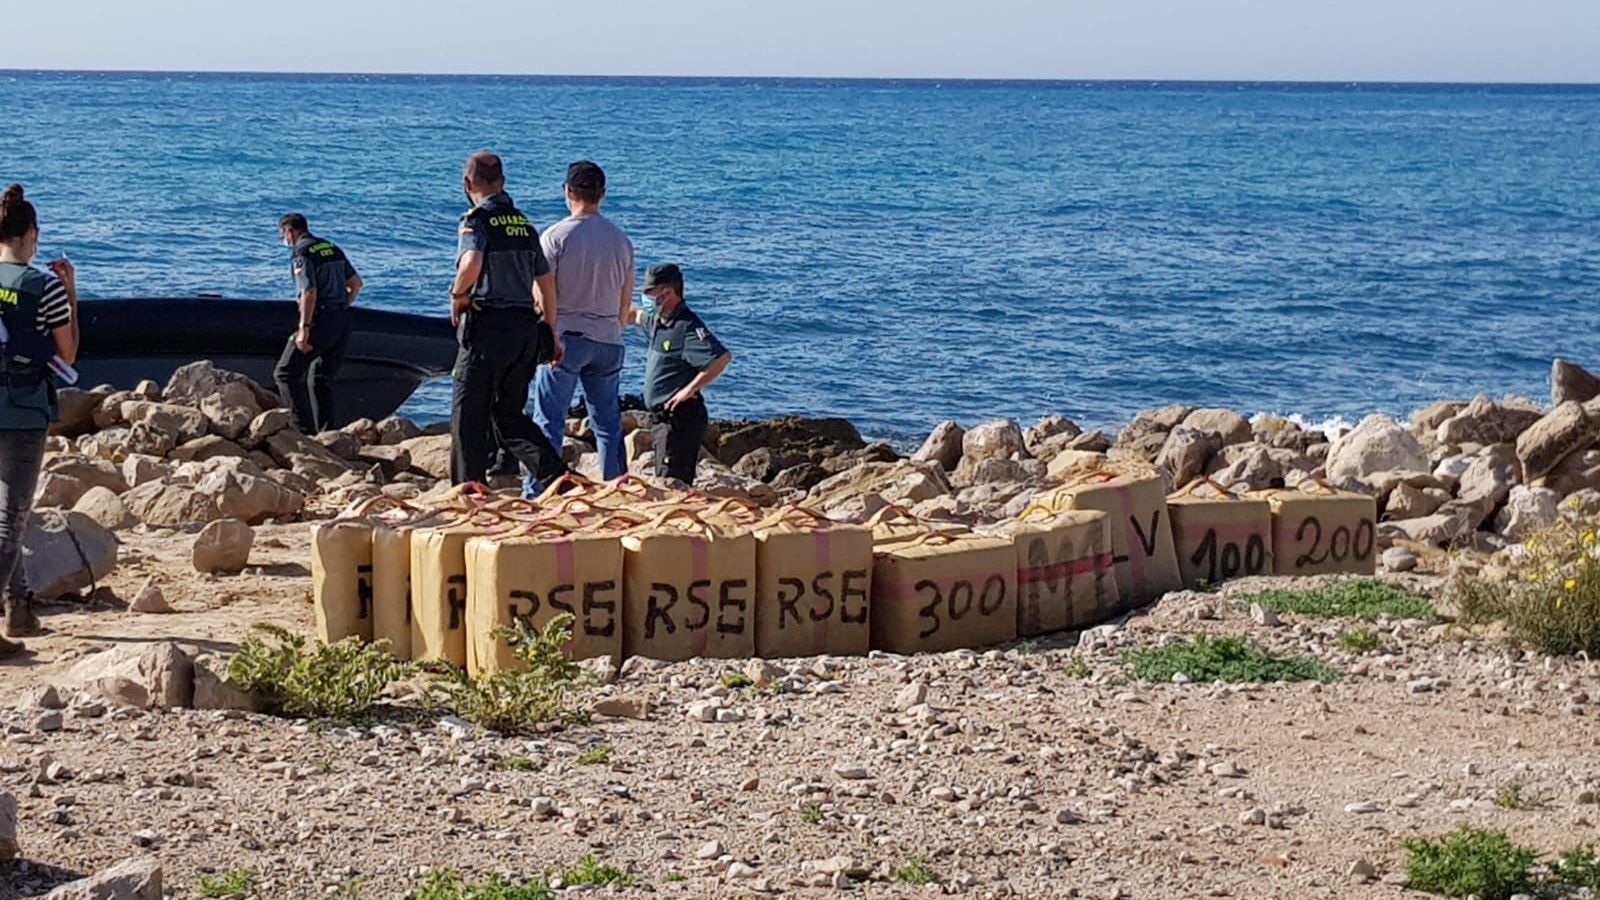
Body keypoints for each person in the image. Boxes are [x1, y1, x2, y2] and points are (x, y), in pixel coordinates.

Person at [448, 151, 568, 487]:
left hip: (488, 327)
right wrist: (551, 331)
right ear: (502, 182)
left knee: (468, 415)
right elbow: (545, 283)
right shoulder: (524, 224)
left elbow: (471, 260)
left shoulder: (476, 221)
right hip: (524, 330)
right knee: (509, 415)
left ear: (468, 183)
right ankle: (555, 474)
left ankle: (466, 490)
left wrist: (458, 295)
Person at [0, 185, 79, 657]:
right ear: (31, 234)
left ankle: (20, 608)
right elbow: (67, 352)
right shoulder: (43, 285)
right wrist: (70, 290)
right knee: (11, 518)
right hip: (24, 407)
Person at [527, 161, 633, 494]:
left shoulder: (556, 236)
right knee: (608, 424)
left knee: (549, 421)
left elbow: (542, 294)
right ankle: (617, 487)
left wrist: (547, 334)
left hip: (567, 337)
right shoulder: (621, 240)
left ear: (568, 192)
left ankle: (538, 490)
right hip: (608, 339)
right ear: (602, 194)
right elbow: (625, 299)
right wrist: (613, 328)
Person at [630, 264, 732, 484]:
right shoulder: (659, 321)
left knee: (673, 483)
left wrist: (689, 389)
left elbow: (721, 359)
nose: (646, 298)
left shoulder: (687, 327)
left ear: (667, 293)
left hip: (680, 419)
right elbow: (634, 315)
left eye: (650, 293)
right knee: (664, 477)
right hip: (661, 420)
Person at [272, 213, 362, 434]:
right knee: (320, 378)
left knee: (285, 373)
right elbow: (356, 284)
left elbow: (308, 291)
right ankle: (327, 432)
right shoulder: (331, 247)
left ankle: (302, 431)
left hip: (320, 319)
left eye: (282, 235)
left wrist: (304, 327)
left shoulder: (301, 253)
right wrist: (340, 305)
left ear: (289, 232)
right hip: (342, 320)